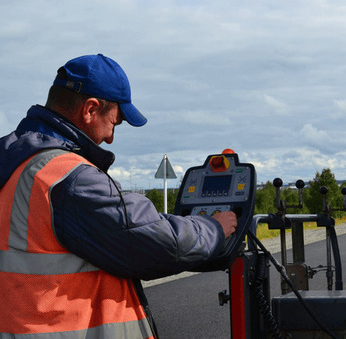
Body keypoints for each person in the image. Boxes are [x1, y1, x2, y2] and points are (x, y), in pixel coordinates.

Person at [0, 54, 238, 338]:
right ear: (90, 110)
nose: (111, 137)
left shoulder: (12, 159)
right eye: (115, 122)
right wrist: (214, 227)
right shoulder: (66, 177)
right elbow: (155, 242)